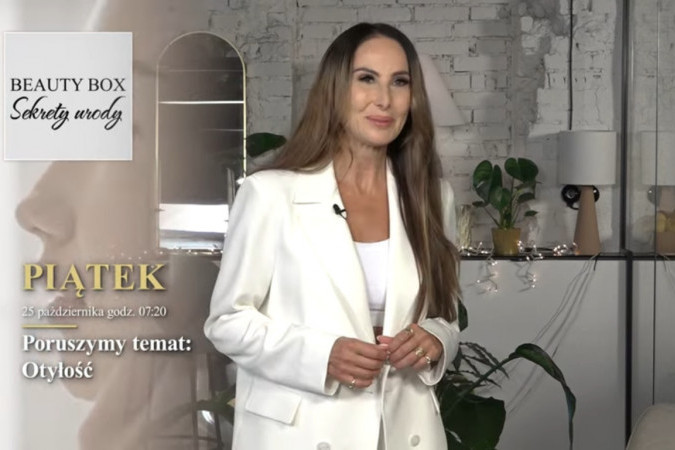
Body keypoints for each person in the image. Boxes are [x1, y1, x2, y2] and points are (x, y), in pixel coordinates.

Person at [204, 22, 461, 450]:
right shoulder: (270, 194)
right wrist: (321, 356)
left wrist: (436, 339)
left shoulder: (432, 198)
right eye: (366, 79)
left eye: (399, 82)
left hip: (403, 431)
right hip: (302, 433)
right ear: (336, 89)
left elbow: (447, 316)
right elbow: (227, 322)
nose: (384, 99)